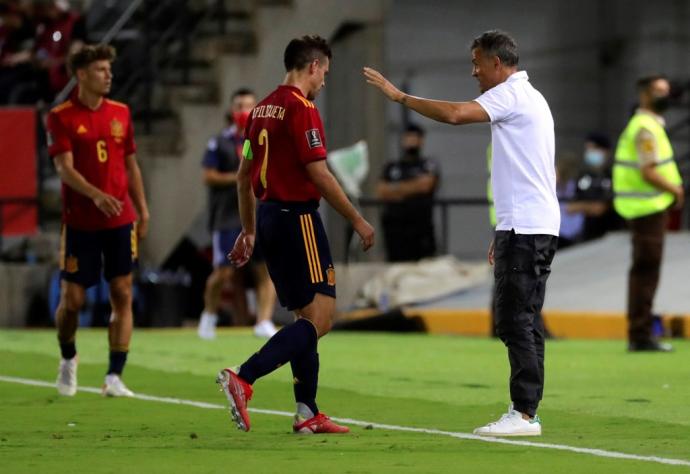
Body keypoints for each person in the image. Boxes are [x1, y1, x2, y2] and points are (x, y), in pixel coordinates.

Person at [364, 29, 559, 436]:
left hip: (525, 227)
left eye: (476, 63)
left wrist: (401, 98)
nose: (473, 72)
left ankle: (524, 414)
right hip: (527, 223)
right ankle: (527, 410)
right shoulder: (532, 97)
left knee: (513, 322)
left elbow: (455, 114)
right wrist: (503, 228)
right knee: (524, 319)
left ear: (496, 62)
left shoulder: (509, 94)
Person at [217, 35, 374, 434]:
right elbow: (318, 173)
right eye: (325, 74)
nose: (323, 83)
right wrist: (357, 219)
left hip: (269, 218)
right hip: (298, 217)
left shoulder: (259, 111)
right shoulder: (301, 109)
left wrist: (250, 230)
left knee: (304, 317)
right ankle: (244, 376)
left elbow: (242, 178)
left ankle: (307, 412)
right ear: (314, 67)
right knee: (320, 319)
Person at [47, 44, 149, 397]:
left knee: (122, 291)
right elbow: (63, 168)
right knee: (73, 300)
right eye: (101, 70)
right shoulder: (60, 116)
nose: (109, 75)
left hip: (120, 219)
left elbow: (131, 164)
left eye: (109, 69)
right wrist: (95, 194)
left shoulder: (121, 112)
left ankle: (114, 375)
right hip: (80, 223)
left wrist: (143, 208)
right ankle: (68, 356)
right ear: (82, 75)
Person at [198, 88, 278, 340]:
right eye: (240, 106)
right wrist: (241, 178)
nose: (244, 111)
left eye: (249, 106)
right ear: (232, 111)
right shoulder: (220, 142)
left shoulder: (264, 139)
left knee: (265, 270)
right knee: (224, 271)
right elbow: (208, 176)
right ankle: (209, 315)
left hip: (259, 214)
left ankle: (263, 320)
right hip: (228, 216)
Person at [612, 75, 683, 352]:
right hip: (647, 210)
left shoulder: (648, 125)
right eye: (659, 91)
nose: (666, 96)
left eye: (667, 90)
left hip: (646, 209)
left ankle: (640, 333)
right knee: (646, 272)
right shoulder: (645, 128)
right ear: (645, 95)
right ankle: (640, 334)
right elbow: (648, 170)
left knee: (644, 271)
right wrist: (676, 190)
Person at [376, 123, 439, 262]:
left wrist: (396, 189)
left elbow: (425, 186)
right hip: (395, 230)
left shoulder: (428, 164)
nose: (411, 140)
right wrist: (412, 187)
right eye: (408, 136)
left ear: (421, 140)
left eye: (415, 137)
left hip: (421, 229)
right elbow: (382, 191)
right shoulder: (392, 167)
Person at [567, 133, 623, 242]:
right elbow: (571, 207)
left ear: (605, 151)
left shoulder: (613, 175)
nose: (589, 153)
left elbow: (600, 208)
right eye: (587, 149)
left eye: (593, 149)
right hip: (588, 234)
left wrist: (584, 206)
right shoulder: (584, 176)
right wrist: (588, 206)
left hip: (611, 234)